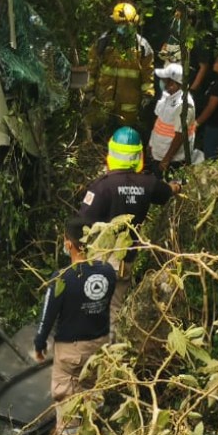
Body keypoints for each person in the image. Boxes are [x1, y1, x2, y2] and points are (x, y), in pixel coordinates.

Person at [79, 126, 181, 328]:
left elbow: (82, 223)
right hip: (125, 262)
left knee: (91, 306)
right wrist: (177, 186)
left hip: (100, 260)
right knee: (114, 309)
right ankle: (111, 354)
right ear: (139, 156)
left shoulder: (101, 186)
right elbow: (167, 191)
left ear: (111, 153)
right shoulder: (148, 183)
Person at [33, 217, 116, 435]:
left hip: (71, 349)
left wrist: (39, 345)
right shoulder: (108, 271)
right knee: (92, 389)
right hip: (100, 343)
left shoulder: (62, 278)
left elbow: (47, 318)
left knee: (66, 394)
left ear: (68, 244)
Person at [85, 2, 155, 137]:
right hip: (103, 102)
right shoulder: (103, 43)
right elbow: (92, 69)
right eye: (119, 25)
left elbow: (148, 74)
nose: (122, 28)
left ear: (134, 23)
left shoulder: (142, 47)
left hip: (128, 107)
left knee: (124, 140)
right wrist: (89, 92)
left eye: (126, 25)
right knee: (100, 138)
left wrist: (148, 95)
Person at [148, 63, 198, 176]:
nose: (163, 84)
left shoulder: (184, 104)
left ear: (174, 83)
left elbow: (180, 135)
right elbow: (159, 123)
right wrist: (151, 144)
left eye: (166, 81)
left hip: (172, 160)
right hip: (159, 153)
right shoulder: (167, 97)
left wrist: (166, 159)